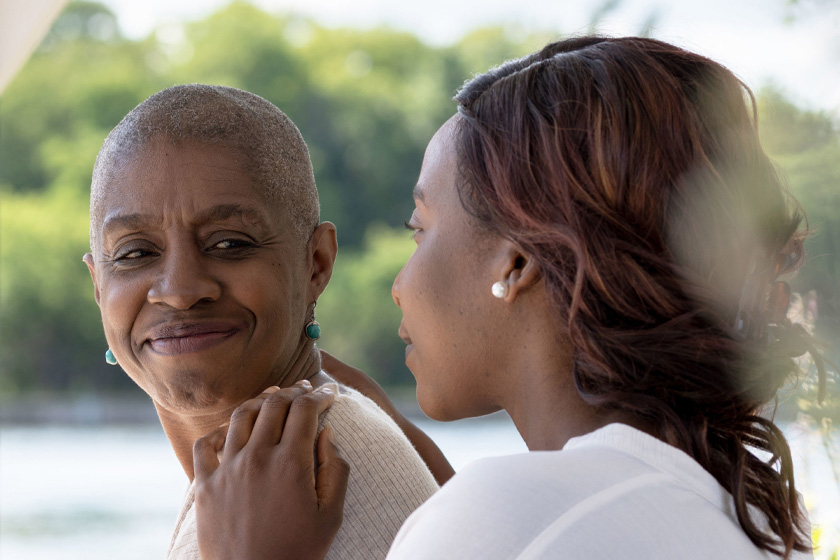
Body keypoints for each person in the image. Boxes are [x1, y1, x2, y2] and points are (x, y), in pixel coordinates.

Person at [193, 37, 823, 559]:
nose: (399, 284)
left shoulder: (504, 518)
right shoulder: (741, 517)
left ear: (516, 260)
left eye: (420, 230)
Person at [82, 84, 441, 560]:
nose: (180, 291)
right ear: (98, 286)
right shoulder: (259, 496)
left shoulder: (318, 477)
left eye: (230, 244)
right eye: (135, 253)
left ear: (316, 264)